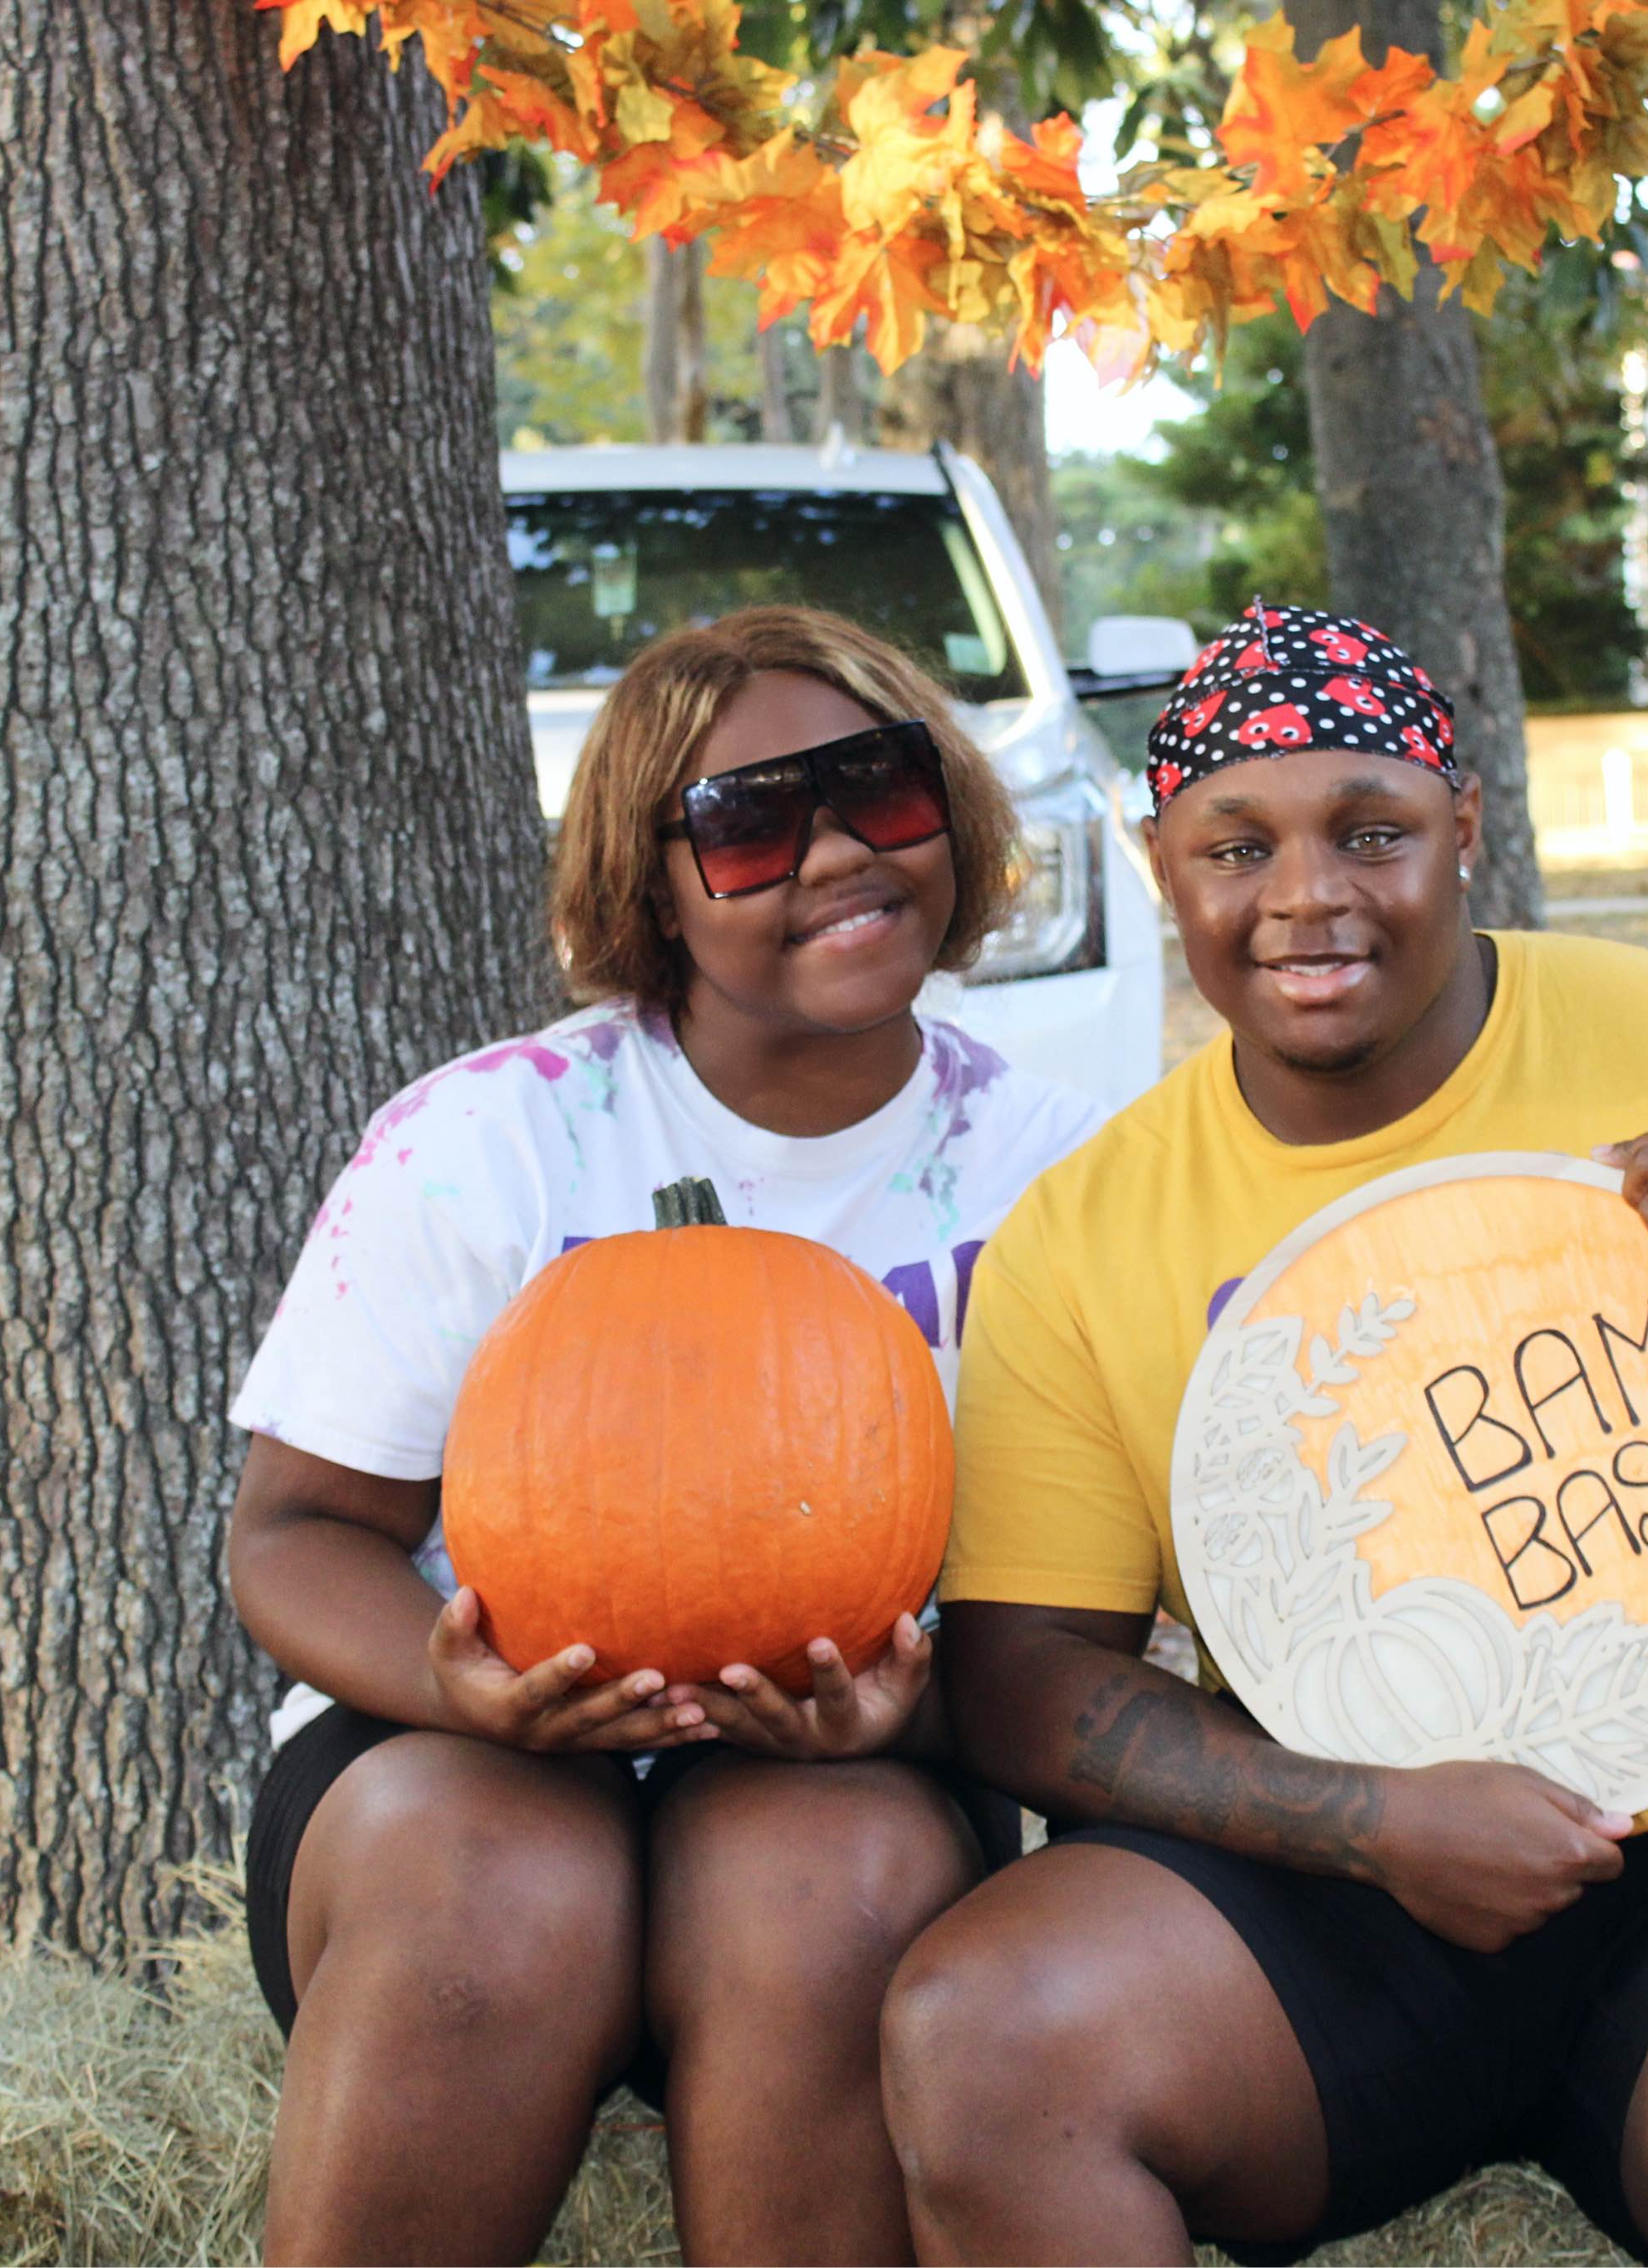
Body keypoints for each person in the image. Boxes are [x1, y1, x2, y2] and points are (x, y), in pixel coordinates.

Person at [885, 600, 1648, 2266]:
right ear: (1160, 865)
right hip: (1338, 1863)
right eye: (1237, 845)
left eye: (1368, 829)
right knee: (987, 2032)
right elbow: (1017, 1674)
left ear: (1462, 829)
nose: (1306, 893)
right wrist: (1364, 1819)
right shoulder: (1090, 1230)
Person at [223, 606, 1102, 2266]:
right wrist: (451, 1677)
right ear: (650, 885)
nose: (835, 853)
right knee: (494, 1881)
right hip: (458, 1756)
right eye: (750, 823)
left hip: (858, 1773)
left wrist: (910, 1726)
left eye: (877, 790)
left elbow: (1090, 1599)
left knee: (823, 1880)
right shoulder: (490, 1142)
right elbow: (288, 1534)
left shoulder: (1060, 1178)